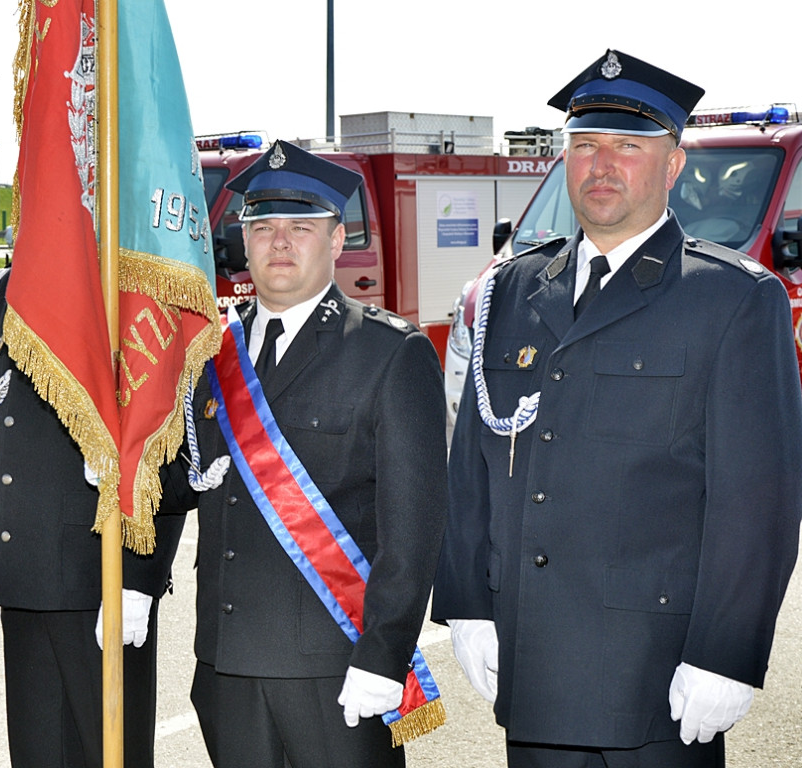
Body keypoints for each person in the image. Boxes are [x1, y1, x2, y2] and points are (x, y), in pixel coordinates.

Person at [432, 49, 802, 768]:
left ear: (672, 167)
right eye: (585, 145)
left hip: (656, 679)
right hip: (534, 665)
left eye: (629, 146)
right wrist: (467, 600)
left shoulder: (730, 299)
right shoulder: (513, 290)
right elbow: (473, 463)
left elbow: (755, 498)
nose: (602, 165)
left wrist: (727, 652)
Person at [161, 140, 447, 768]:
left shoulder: (390, 354)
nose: (280, 242)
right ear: (244, 242)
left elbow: (414, 529)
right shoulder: (214, 354)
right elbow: (189, 480)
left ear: (339, 241)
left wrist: (385, 654)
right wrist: (120, 462)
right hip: (227, 665)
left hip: (336, 669)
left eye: (301, 227)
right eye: (262, 226)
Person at [0, 267, 187, 768]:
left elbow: (164, 448)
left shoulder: (129, 287)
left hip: (98, 578)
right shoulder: (7, 291)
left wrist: (139, 578)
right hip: (23, 578)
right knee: (37, 753)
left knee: (111, 754)